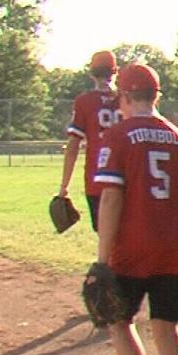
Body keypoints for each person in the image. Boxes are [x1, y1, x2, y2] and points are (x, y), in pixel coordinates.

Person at [93, 62, 178, 355]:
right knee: (166, 329)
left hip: (132, 249)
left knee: (118, 321)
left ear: (123, 96)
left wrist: (103, 259)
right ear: (156, 97)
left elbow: (112, 196)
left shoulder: (118, 135)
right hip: (173, 248)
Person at [59, 50, 121, 230]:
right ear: (115, 72)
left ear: (92, 74)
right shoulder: (127, 99)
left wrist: (64, 187)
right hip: (127, 176)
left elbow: (72, 147)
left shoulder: (85, 101)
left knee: (105, 233)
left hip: (98, 177)